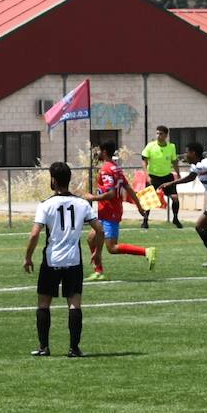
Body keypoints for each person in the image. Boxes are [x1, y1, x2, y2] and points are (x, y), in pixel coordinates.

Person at [24, 161, 103, 358]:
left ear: (53, 180)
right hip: (73, 260)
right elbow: (99, 229)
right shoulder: (82, 204)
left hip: (51, 260)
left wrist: (28, 257)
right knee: (74, 304)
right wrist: (98, 252)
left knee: (44, 303)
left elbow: (34, 234)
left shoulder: (45, 205)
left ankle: (44, 347)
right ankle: (74, 348)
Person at [83, 140, 155, 281]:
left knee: (112, 247)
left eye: (98, 151)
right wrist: (139, 206)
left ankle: (146, 251)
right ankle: (98, 271)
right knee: (91, 238)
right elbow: (128, 188)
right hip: (108, 211)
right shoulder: (116, 168)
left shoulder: (106, 170)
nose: (96, 153)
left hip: (110, 212)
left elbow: (110, 193)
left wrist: (93, 198)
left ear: (104, 152)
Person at [139, 126, 182, 228]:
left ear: (166, 135)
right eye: (157, 133)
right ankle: (145, 221)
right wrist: (147, 175)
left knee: (175, 198)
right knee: (148, 200)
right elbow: (144, 161)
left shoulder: (171, 147)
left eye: (161, 134)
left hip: (167, 177)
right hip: (153, 177)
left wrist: (178, 173)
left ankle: (175, 219)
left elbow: (174, 161)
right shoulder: (150, 146)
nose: (158, 136)